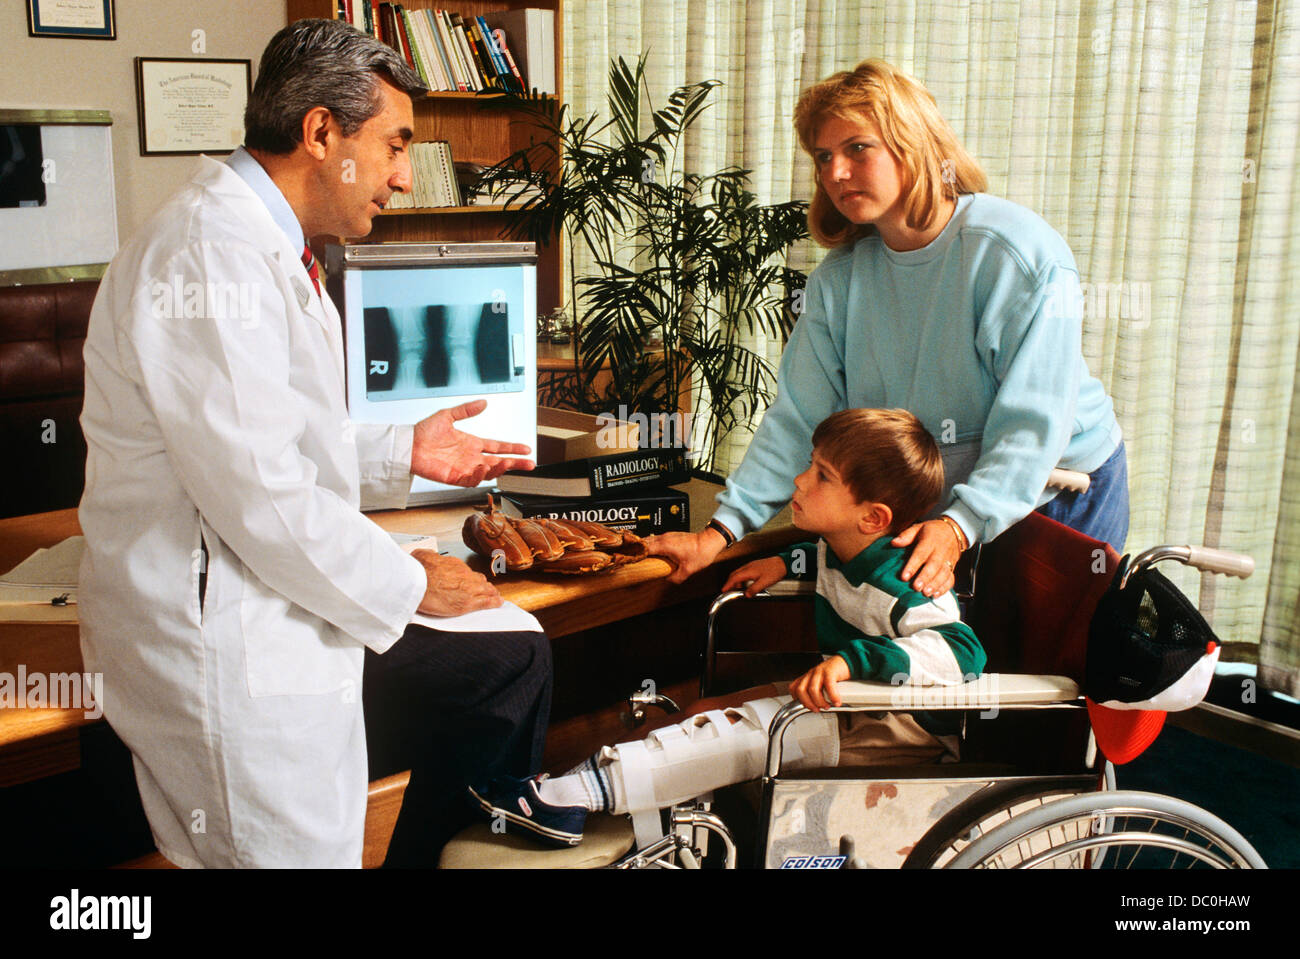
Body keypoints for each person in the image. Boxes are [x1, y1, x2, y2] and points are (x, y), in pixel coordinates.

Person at [78, 18, 549, 868]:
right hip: (221, 644)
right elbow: (262, 494)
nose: (405, 179)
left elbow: (273, 438)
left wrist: (399, 448)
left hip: (271, 611)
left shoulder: (275, 252)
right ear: (321, 132)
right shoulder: (208, 257)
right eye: (396, 145)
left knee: (508, 658)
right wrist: (413, 581)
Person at [649, 59, 1128, 595]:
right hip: (939, 495)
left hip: (1056, 489)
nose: (835, 172)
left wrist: (960, 525)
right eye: (824, 157)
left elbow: (1031, 421)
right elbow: (799, 419)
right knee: (939, 664)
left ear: (914, 144)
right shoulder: (839, 281)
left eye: (857, 148)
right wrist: (718, 534)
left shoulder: (1013, 253)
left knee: (1031, 674)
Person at [469, 408, 985, 847]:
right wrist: (787, 563)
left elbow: (963, 653)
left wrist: (853, 661)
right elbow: (828, 560)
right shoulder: (843, 547)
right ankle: (617, 801)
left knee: (738, 731)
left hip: (897, 728)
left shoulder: (910, 579)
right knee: (701, 710)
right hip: (846, 700)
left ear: (872, 518)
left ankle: (566, 801)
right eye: (810, 465)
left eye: (822, 476)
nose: (801, 481)